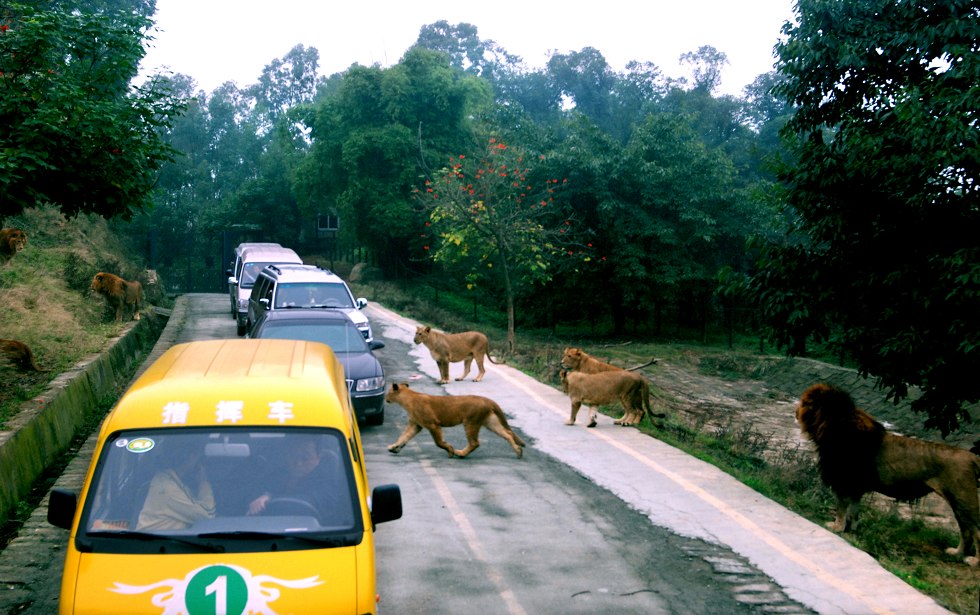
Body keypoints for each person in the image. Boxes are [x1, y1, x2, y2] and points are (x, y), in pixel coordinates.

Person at [247, 437, 348, 523]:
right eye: (293, 456)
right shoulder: (274, 476)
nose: (298, 463)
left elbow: (306, 503)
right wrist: (263, 497)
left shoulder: (328, 482)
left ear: (319, 457)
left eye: (305, 458)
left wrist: (270, 497)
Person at [136, 441, 216, 531]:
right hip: (154, 543)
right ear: (191, 457)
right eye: (199, 457)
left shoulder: (166, 479)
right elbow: (207, 516)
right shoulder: (168, 488)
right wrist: (203, 482)